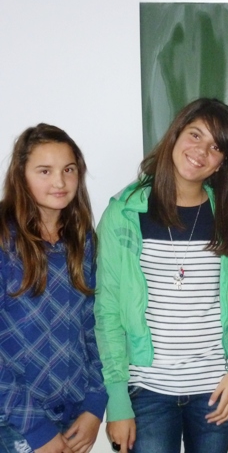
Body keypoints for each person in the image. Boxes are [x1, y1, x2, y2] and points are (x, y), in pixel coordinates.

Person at [94, 98, 228, 453]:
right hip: (146, 390)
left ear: (222, 162)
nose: (201, 151)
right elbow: (107, 312)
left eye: (216, 147)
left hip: (215, 388)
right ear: (176, 134)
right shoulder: (124, 214)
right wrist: (117, 400)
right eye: (195, 135)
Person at [0, 124, 107, 453]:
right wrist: (36, 429)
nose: (59, 182)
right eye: (44, 171)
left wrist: (95, 405)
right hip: (14, 421)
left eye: (68, 170)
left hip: (73, 416)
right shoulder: (4, 240)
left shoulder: (82, 240)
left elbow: (93, 327)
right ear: (21, 175)